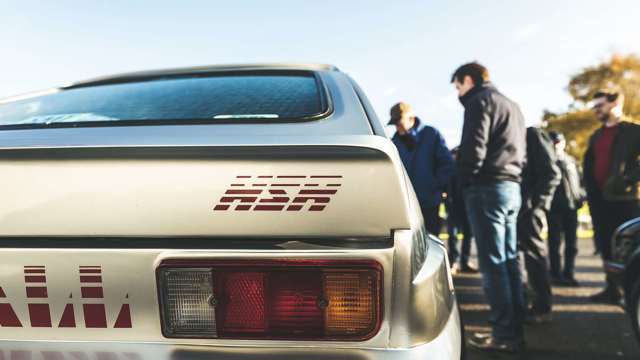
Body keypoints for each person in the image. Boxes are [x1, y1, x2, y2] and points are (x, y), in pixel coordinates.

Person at [452, 62, 527, 352]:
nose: (458, 92)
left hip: (486, 187)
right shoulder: (512, 105)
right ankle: (514, 327)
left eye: (458, 86)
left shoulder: (478, 102)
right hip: (512, 186)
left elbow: (474, 148)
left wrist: (466, 181)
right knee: (509, 259)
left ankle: (504, 334)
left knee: (493, 263)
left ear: (468, 80)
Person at [584, 89, 640, 304]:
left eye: (600, 105)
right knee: (606, 244)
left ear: (615, 102)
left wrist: (627, 179)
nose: (596, 110)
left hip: (626, 200)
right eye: (594, 107)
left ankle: (632, 293)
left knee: (628, 246)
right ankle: (612, 289)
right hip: (600, 200)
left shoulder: (633, 131)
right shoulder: (596, 136)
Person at [388, 102, 454, 235]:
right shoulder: (393, 143)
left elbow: (446, 163)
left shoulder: (432, 134)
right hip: (405, 207)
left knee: (430, 243)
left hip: (430, 202)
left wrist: (435, 186)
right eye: (394, 123)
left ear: (410, 118)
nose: (397, 126)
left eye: (399, 121)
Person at [518, 127, 561, 324]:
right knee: (516, 257)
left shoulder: (532, 134)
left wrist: (536, 204)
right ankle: (523, 302)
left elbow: (552, 174)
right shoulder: (505, 138)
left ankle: (543, 306)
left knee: (534, 254)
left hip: (529, 208)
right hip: (513, 206)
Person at [548, 131, 585, 287]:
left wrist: (581, 196)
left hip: (572, 208)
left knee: (572, 244)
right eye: (554, 142)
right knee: (555, 243)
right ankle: (555, 274)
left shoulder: (571, 161)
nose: (556, 145)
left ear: (563, 143)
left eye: (559, 141)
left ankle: (569, 274)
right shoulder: (547, 160)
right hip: (554, 209)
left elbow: (581, 181)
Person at [445, 147, 477, 274]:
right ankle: (454, 262)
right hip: (455, 206)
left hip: (467, 206)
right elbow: (448, 188)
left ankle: (464, 262)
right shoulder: (452, 170)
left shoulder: (470, 170)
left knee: (468, 235)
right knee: (453, 236)